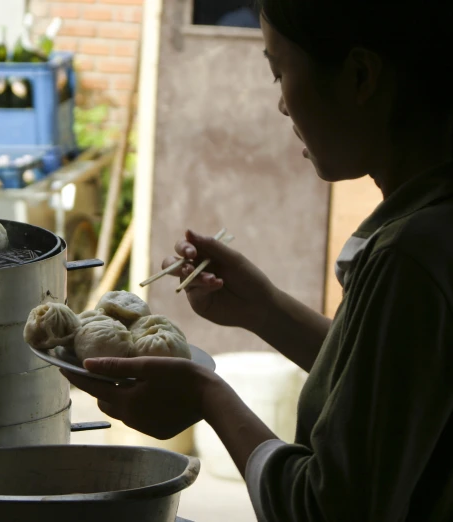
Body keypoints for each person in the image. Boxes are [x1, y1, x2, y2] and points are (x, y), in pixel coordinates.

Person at [65, 0, 453, 520]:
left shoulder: (410, 256)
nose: (283, 106)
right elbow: (389, 391)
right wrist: (264, 310)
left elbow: (326, 508)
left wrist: (208, 397)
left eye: (279, 72)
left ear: (360, 76)